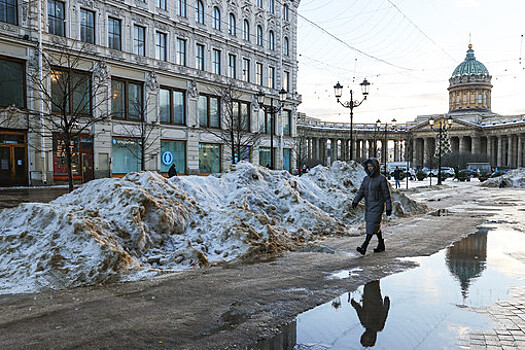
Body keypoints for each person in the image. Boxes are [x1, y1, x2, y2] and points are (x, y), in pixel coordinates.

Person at [352, 158, 392, 255]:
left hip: (378, 205)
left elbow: (386, 195)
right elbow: (361, 191)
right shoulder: (366, 179)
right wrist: (355, 201)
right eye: (368, 167)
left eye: (371, 167)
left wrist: (389, 207)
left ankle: (364, 246)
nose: (370, 168)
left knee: (372, 224)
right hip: (369, 205)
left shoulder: (381, 179)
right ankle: (381, 244)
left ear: (376, 167)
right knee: (374, 225)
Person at [350, 280, 390, 347]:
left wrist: (387, 303)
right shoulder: (369, 324)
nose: (367, 335)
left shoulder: (368, 324)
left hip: (372, 297)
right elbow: (384, 314)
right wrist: (354, 304)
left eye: (365, 337)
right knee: (372, 282)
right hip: (372, 297)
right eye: (368, 338)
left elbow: (359, 310)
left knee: (373, 283)